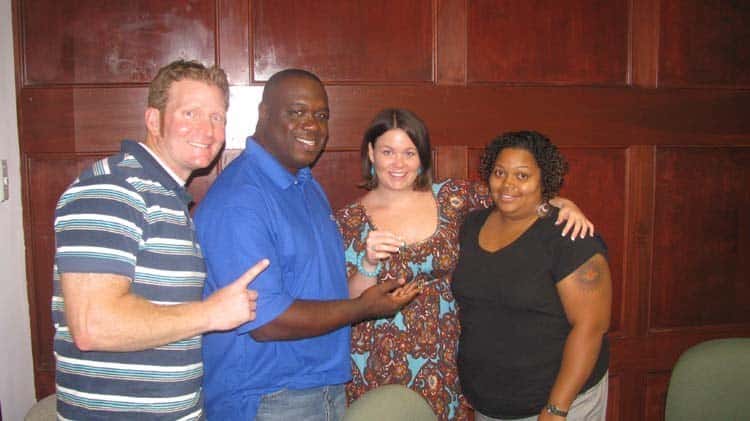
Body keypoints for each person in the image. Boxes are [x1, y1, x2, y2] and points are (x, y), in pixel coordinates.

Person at [336, 109, 594, 420]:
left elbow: (513, 197)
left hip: (443, 357)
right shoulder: (347, 221)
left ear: (422, 156)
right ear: (371, 153)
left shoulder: (453, 197)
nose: (398, 164)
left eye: (409, 152)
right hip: (377, 360)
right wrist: (368, 263)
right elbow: (347, 303)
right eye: (387, 152)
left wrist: (562, 204)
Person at [194, 70, 420, 421]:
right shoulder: (241, 200)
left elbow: (323, 293)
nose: (312, 125)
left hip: (321, 386)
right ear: (264, 113)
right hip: (267, 396)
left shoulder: (306, 185)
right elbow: (266, 321)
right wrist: (362, 308)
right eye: (297, 112)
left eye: (321, 115)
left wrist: (368, 274)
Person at [52, 59, 270, 420]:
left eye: (216, 117)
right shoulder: (112, 188)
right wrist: (211, 313)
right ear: (154, 121)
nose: (207, 129)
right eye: (190, 113)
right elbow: (93, 325)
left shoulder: (166, 198)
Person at [451, 131, 612, 421]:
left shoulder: (569, 236)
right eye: (500, 172)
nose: (508, 184)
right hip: (489, 405)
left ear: (544, 180)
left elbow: (591, 327)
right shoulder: (472, 225)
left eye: (522, 175)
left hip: (557, 405)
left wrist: (556, 408)